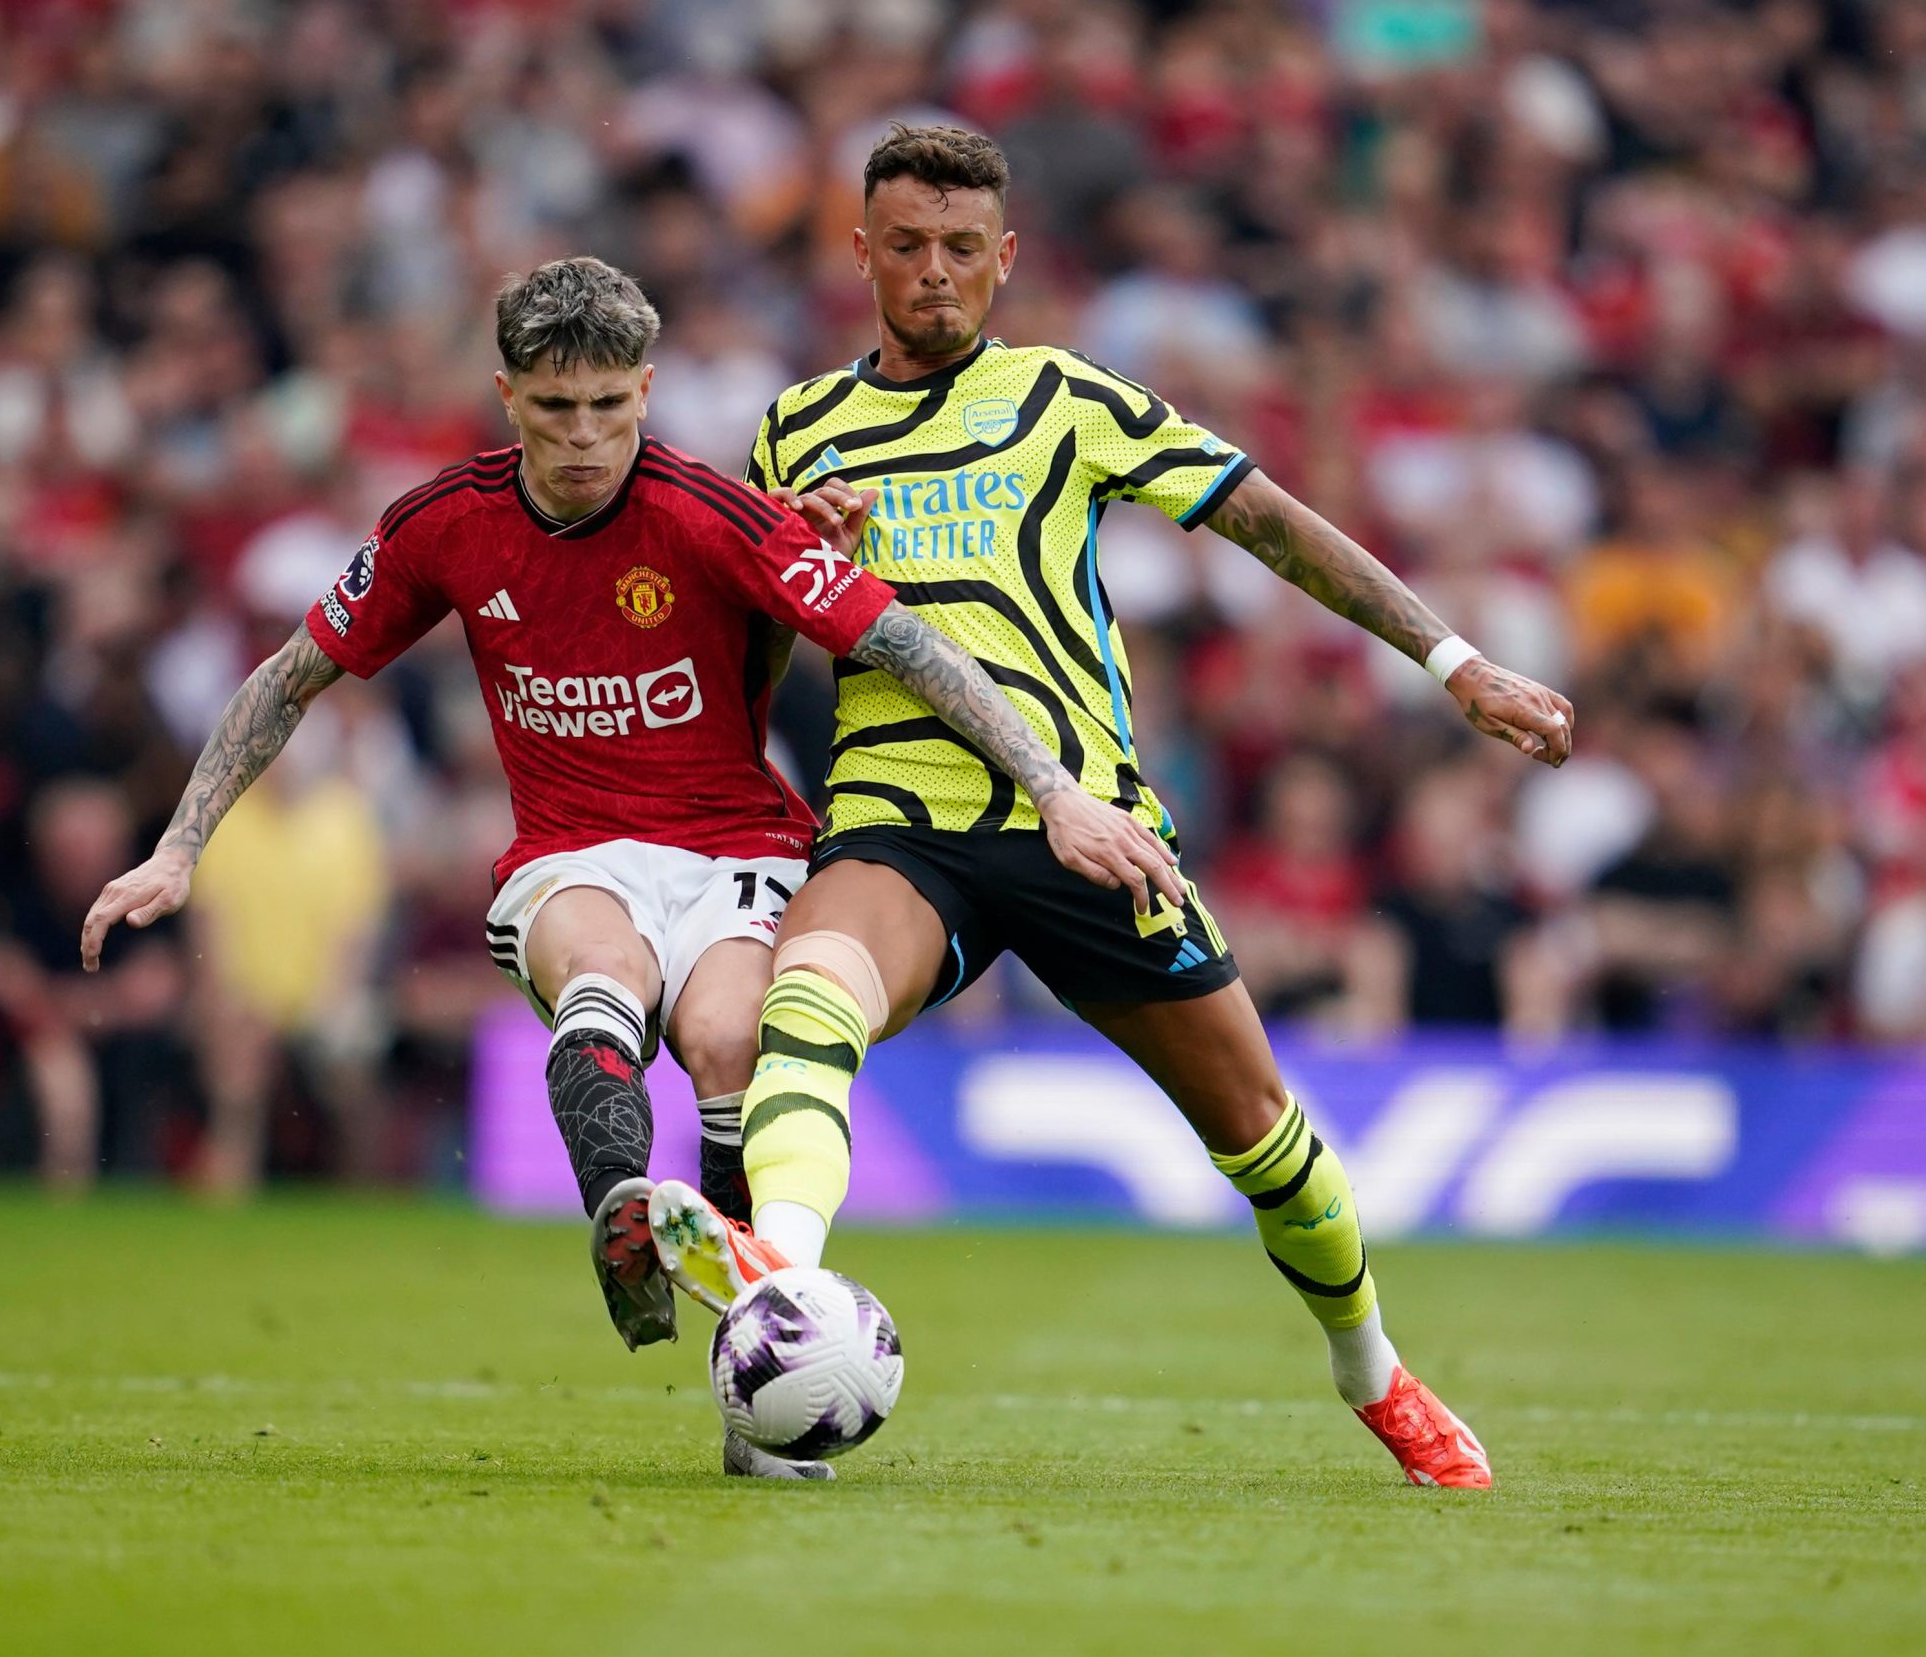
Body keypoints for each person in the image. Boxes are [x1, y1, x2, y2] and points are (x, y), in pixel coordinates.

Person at [77, 257, 1168, 1477]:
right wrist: (178, 848)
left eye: (609, 405)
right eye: (556, 408)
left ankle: (752, 1384)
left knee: (727, 1041)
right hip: (569, 850)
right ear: (508, 397)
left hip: (736, 844)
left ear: (645, 389)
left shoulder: (714, 515)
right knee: (602, 970)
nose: (586, 436)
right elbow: (290, 678)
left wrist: (1056, 790)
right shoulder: (443, 524)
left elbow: (908, 645)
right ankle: (623, 1216)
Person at [644, 126, 1575, 1491]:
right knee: (809, 1002)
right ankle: (782, 1278)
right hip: (899, 815)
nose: (935, 271)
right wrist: (797, 570)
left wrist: (1454, 661)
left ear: (1006, 258)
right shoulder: (796, 430)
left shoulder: (1065, 397)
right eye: (906, 245)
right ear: (861, 253)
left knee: (1266, 1138)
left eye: (963, 247)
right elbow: (758, 651)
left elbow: (1270, 521)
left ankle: (1370, 1366)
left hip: (1087, 824)